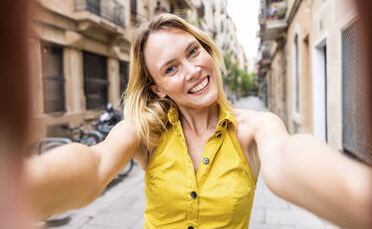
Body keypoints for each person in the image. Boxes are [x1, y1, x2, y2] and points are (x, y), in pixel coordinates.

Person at [24, 13, 372, 229]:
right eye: (171, 68)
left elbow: (288, 161)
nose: (193, 71)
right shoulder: (147, 132)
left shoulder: (255, 128)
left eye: (193, 51)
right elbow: (94, 163)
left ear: (206, 50)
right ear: (157, 89)